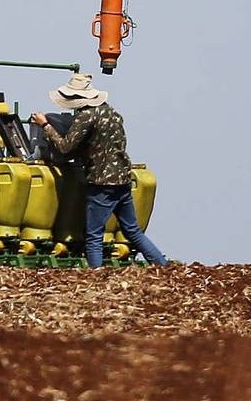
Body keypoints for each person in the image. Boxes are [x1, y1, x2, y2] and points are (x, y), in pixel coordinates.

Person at [30, 73, 168, 269]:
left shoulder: (86, 117)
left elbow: (65, 147)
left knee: (93, 234)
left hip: (102, 182)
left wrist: (45, 125)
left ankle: (97, 275)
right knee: (132, 230)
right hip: (123, 178)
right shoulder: (112, 114)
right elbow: (105, 144)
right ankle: (163, 266)